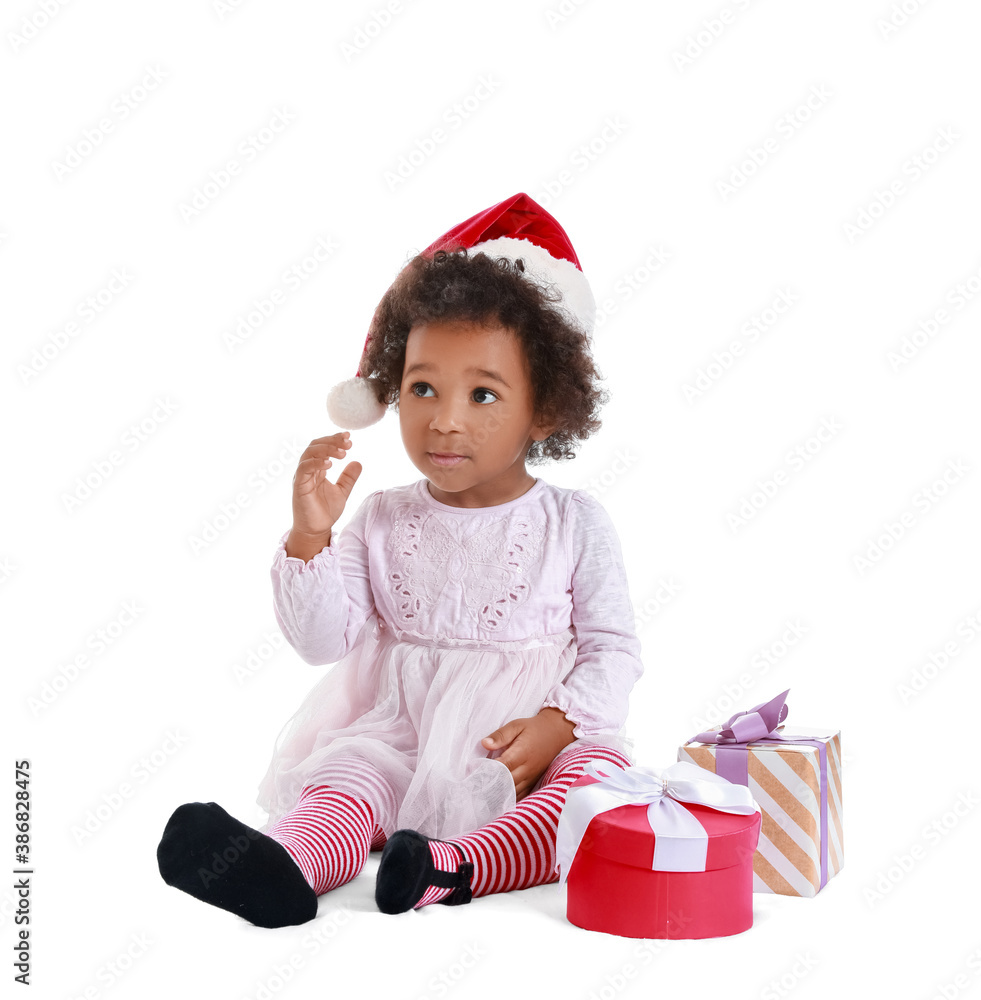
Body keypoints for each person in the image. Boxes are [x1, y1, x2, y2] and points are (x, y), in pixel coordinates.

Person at [156, 193, 644, 927]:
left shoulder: (572, 520)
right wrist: (310, 535)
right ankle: (282, 868)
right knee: (345, 776)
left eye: (483, 393)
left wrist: (558, 723)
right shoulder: (383, 515)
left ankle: (454, 868)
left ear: (544, 409)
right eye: (422, 387)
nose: (443, 418)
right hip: (401, 734)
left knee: (591, 789)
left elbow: (613, 650)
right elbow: (323, 642)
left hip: (521, 750)